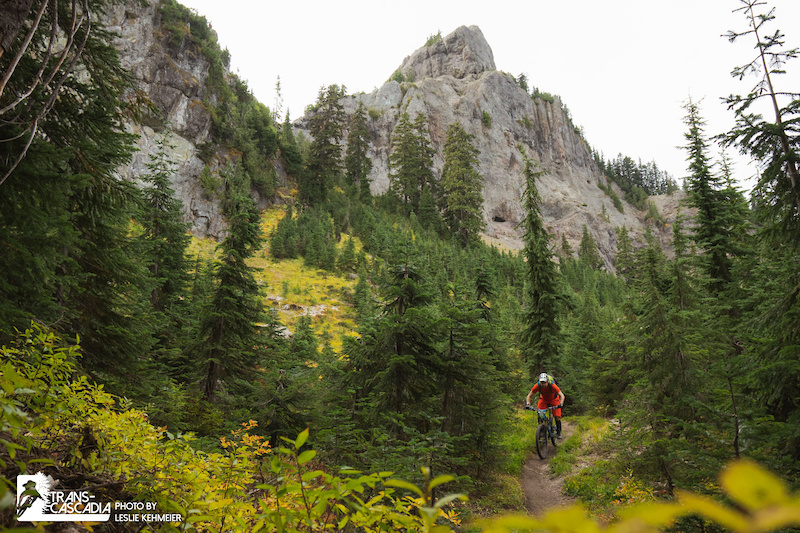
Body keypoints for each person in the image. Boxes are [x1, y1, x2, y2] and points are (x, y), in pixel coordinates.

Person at [526, 372, 565, 438]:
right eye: (542, 382)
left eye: (544, 382)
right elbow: (529, 395)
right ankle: (541, 431)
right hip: (543, 399)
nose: (543, 384)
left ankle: (558, 432)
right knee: (539, 414)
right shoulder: (537, 385)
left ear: (547, 381)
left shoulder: (552, 385)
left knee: (557, 416)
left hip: (554, 399)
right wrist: (528, 404)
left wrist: (561, 404)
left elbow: (562, 395)